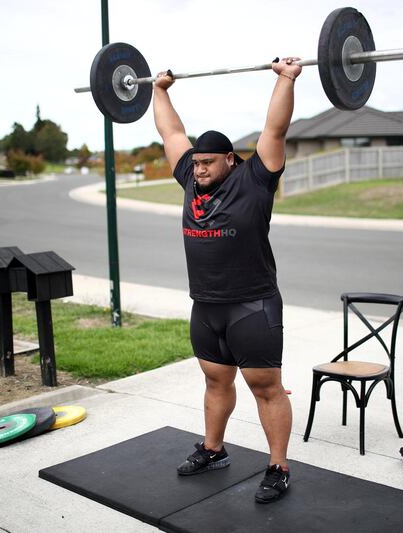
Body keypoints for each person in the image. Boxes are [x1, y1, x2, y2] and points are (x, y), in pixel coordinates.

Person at [152, 57, 301, 504]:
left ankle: (278, 466)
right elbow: (171, 134)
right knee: (216, 380)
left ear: (230, 160)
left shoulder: (256, 180)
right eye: (196, 162)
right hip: (207, 304)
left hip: (252, 304)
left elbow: (274, 131)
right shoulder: (189, 180)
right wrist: (160, 91)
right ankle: (213, 450)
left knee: (265, 386)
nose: (198, 168)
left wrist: (286, 79)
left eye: (208, 162)